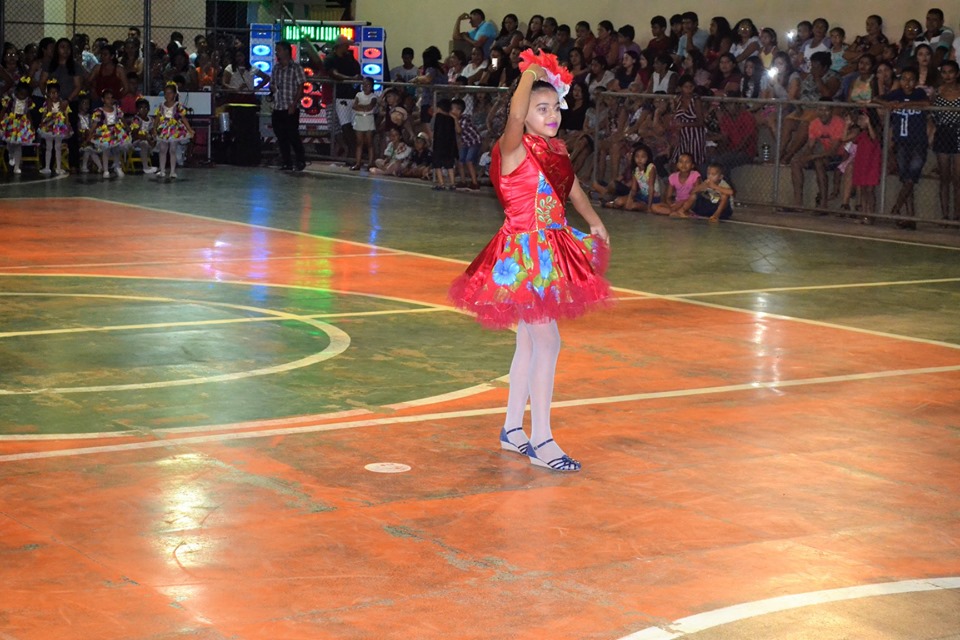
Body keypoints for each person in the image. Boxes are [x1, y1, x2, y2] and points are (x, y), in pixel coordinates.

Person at [448, 51, 610, 473]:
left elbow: (571, 190)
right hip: (524, 254)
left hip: (550, 247)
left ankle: (512, 430)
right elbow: (516, 112)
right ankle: (542, 439)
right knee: (548, 342)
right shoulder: (513, 148)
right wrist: (533, 74)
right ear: (524, 114)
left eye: (556, 106)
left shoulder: (555, 149)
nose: (553, 114)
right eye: (543, 108)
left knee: (528, 341)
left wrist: (593, 221)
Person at [876, 68, 929, 227]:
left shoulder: (918, 93)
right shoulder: (896, 94)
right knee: (906, 178)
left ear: (915, 81)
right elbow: (875, 98)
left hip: (918, 141)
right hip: (901, 141)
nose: (907, 83)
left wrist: (906, 105)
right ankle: (910, 217)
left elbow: (927, 103)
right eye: (904, 79)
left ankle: (896, 209)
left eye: (911, 79)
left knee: (911, 176)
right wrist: (889, 104)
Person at [790, 102, 845, 209]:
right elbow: (810, 146)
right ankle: (798, 203)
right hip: (821, 154)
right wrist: (804, 156)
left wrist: (811, 157)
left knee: (818, 163)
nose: (823, 113)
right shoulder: (814, 123)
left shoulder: (839, 123)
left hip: (839, 156)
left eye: (826, 110)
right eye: (820, 110)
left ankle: (823, 204)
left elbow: (833, 150)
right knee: (795, 162)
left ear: (832, 111)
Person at [270, 41, 307, 172]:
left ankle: (300, 159)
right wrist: (272, 87)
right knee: (281, 135)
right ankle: (286, 161)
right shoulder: (276, 68)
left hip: (290, 106)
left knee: (292, 134)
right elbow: (272, 83)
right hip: (278, 105)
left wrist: (294, 103)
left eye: (279, 50)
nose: (277, 52)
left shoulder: (296, 68)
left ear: (286, 51)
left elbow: (300, 87)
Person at [932, 60, 960, 223]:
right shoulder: (938, 92)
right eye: (944, 72)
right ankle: (944, 216)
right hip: (943, 133)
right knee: (944, 177)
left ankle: (957, 215)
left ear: (957, 74)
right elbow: (933, 115)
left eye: (951, 72)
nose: (947, 75)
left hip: (958, 133)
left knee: (957, 179)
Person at [152, 81, 194, 179]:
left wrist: (189, 129)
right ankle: (162, 170)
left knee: (173, 149)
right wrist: (154, 128)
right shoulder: (161, 105)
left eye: (170, 92)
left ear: (175, 94)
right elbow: (157, 118)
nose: (168, 95)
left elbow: (183, 118)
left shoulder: (178, 106)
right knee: (162, 149)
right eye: (166, 93)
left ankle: (172, 171)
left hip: (174, 129)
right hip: (163, 129)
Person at [604, 143, 660, 211]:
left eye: (643, 157)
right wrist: (630, 199)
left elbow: (651, 188)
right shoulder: (635, 170)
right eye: (637, 156)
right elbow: (634, 189)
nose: (639, 159)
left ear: (648, 158)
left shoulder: (651, 168)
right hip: (641, 196)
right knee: (619, 202)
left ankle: (646, 207)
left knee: (632, 206)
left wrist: (649, 207)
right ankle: (617, 204)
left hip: (653, 197)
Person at [89, 88, 130, 178]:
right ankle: (106, 170)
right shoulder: (99, 111)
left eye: (111, 98)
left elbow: (122, 119)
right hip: (105, 132)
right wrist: (90, 133)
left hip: (116, 131)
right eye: (107, 98)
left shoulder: (116, 109)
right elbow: (95, 123)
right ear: (103, 100)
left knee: (116, 150)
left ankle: (117, 166)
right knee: (106, 150)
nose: (110, 100)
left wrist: (126, 127)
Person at [851, 109, 882, 220]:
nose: (859, 121)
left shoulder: (875, 131)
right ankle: (864, 213)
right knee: (863, 190)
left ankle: (871, 214)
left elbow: (874, 138)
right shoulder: (862, 133)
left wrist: (868, 124)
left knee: (870, 190)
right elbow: (851, 140)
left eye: (861, 119)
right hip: (862, 164)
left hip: (871, 165)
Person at [1, 78, 36, 174]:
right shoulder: (10, 100)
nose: (22, 97)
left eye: (25, 95)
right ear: (16, 92)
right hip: (11, 123)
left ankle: (17, 166)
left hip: (22, 124)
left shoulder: (28, 101)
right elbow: (3, 110)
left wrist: (31, 125)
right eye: (21, 94)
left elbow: (28, 114)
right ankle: (10, 154)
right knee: (10, 142)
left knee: (18, 144)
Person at [37, 80, 71, 175]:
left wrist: (67, 126)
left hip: (60, 127)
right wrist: (43, 121)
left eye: (55, 93)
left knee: (58, 147)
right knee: (48, 147)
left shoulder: (63, 103)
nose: (54, 95)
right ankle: (47, 167)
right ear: (48, 93)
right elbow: (43, 115)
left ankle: (59, 167)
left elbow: (66, 115)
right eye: (51, 93)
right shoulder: (46, 104)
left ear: (59, 93)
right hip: (49, 127)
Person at [651, 151, 701, 216]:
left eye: (687, 162)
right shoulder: (673, 177)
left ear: (692, 165)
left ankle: (682, 211)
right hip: (677, 203)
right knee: (654, 207)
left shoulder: (695, 175)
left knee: (693, 197)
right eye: (681, 162)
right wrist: (672, 205)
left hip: (691, 204)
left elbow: (696, 194)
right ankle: (679, 213)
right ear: (677, 165)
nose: (683, 165)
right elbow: (668, 197)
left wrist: (681, 203)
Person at [431, 97, 457, 190]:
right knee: (449, 164)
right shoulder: (451, 119)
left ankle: (441, 183)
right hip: (449, 145)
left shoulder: (437, 117)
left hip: (439, 144)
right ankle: (452, 183)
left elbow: (433, 130)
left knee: (437, 164)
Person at [351, 77, 377, 170]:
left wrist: (361, 106)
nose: (365, 87)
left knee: (369, 142)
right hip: (359, 119)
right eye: (364, 85)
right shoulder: (358, 94)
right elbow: (354, 106)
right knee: (359, 142)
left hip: (368, 119)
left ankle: (370, 163)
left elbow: (370, 107)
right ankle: (358, 163)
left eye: (368, 85)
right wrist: (363, 107)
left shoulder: (373, 96)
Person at [75, 92, 102, 174]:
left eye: (88, 103)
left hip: (90, 139)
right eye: (84, 103)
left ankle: (97, 167)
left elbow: (93, 127)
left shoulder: (90, 116)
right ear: (79, 104)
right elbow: (78, 129)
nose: (87, 105)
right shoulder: (77, 117)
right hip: (81, 139)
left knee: (90, 149)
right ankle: (96, 166)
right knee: (88, 148)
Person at [129, 97, 157, 174]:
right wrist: (145, 137)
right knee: (143, 144)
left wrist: (153, 138)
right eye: (141, 108)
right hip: (137, 141)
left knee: (161, 142)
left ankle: (161, 166)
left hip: (148, 139)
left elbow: (152, 131)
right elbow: (134, 134)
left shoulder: (151, 119)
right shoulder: (136, 120)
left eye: (146, 108)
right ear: (137, 110)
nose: (144, 110)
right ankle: (145, 167)